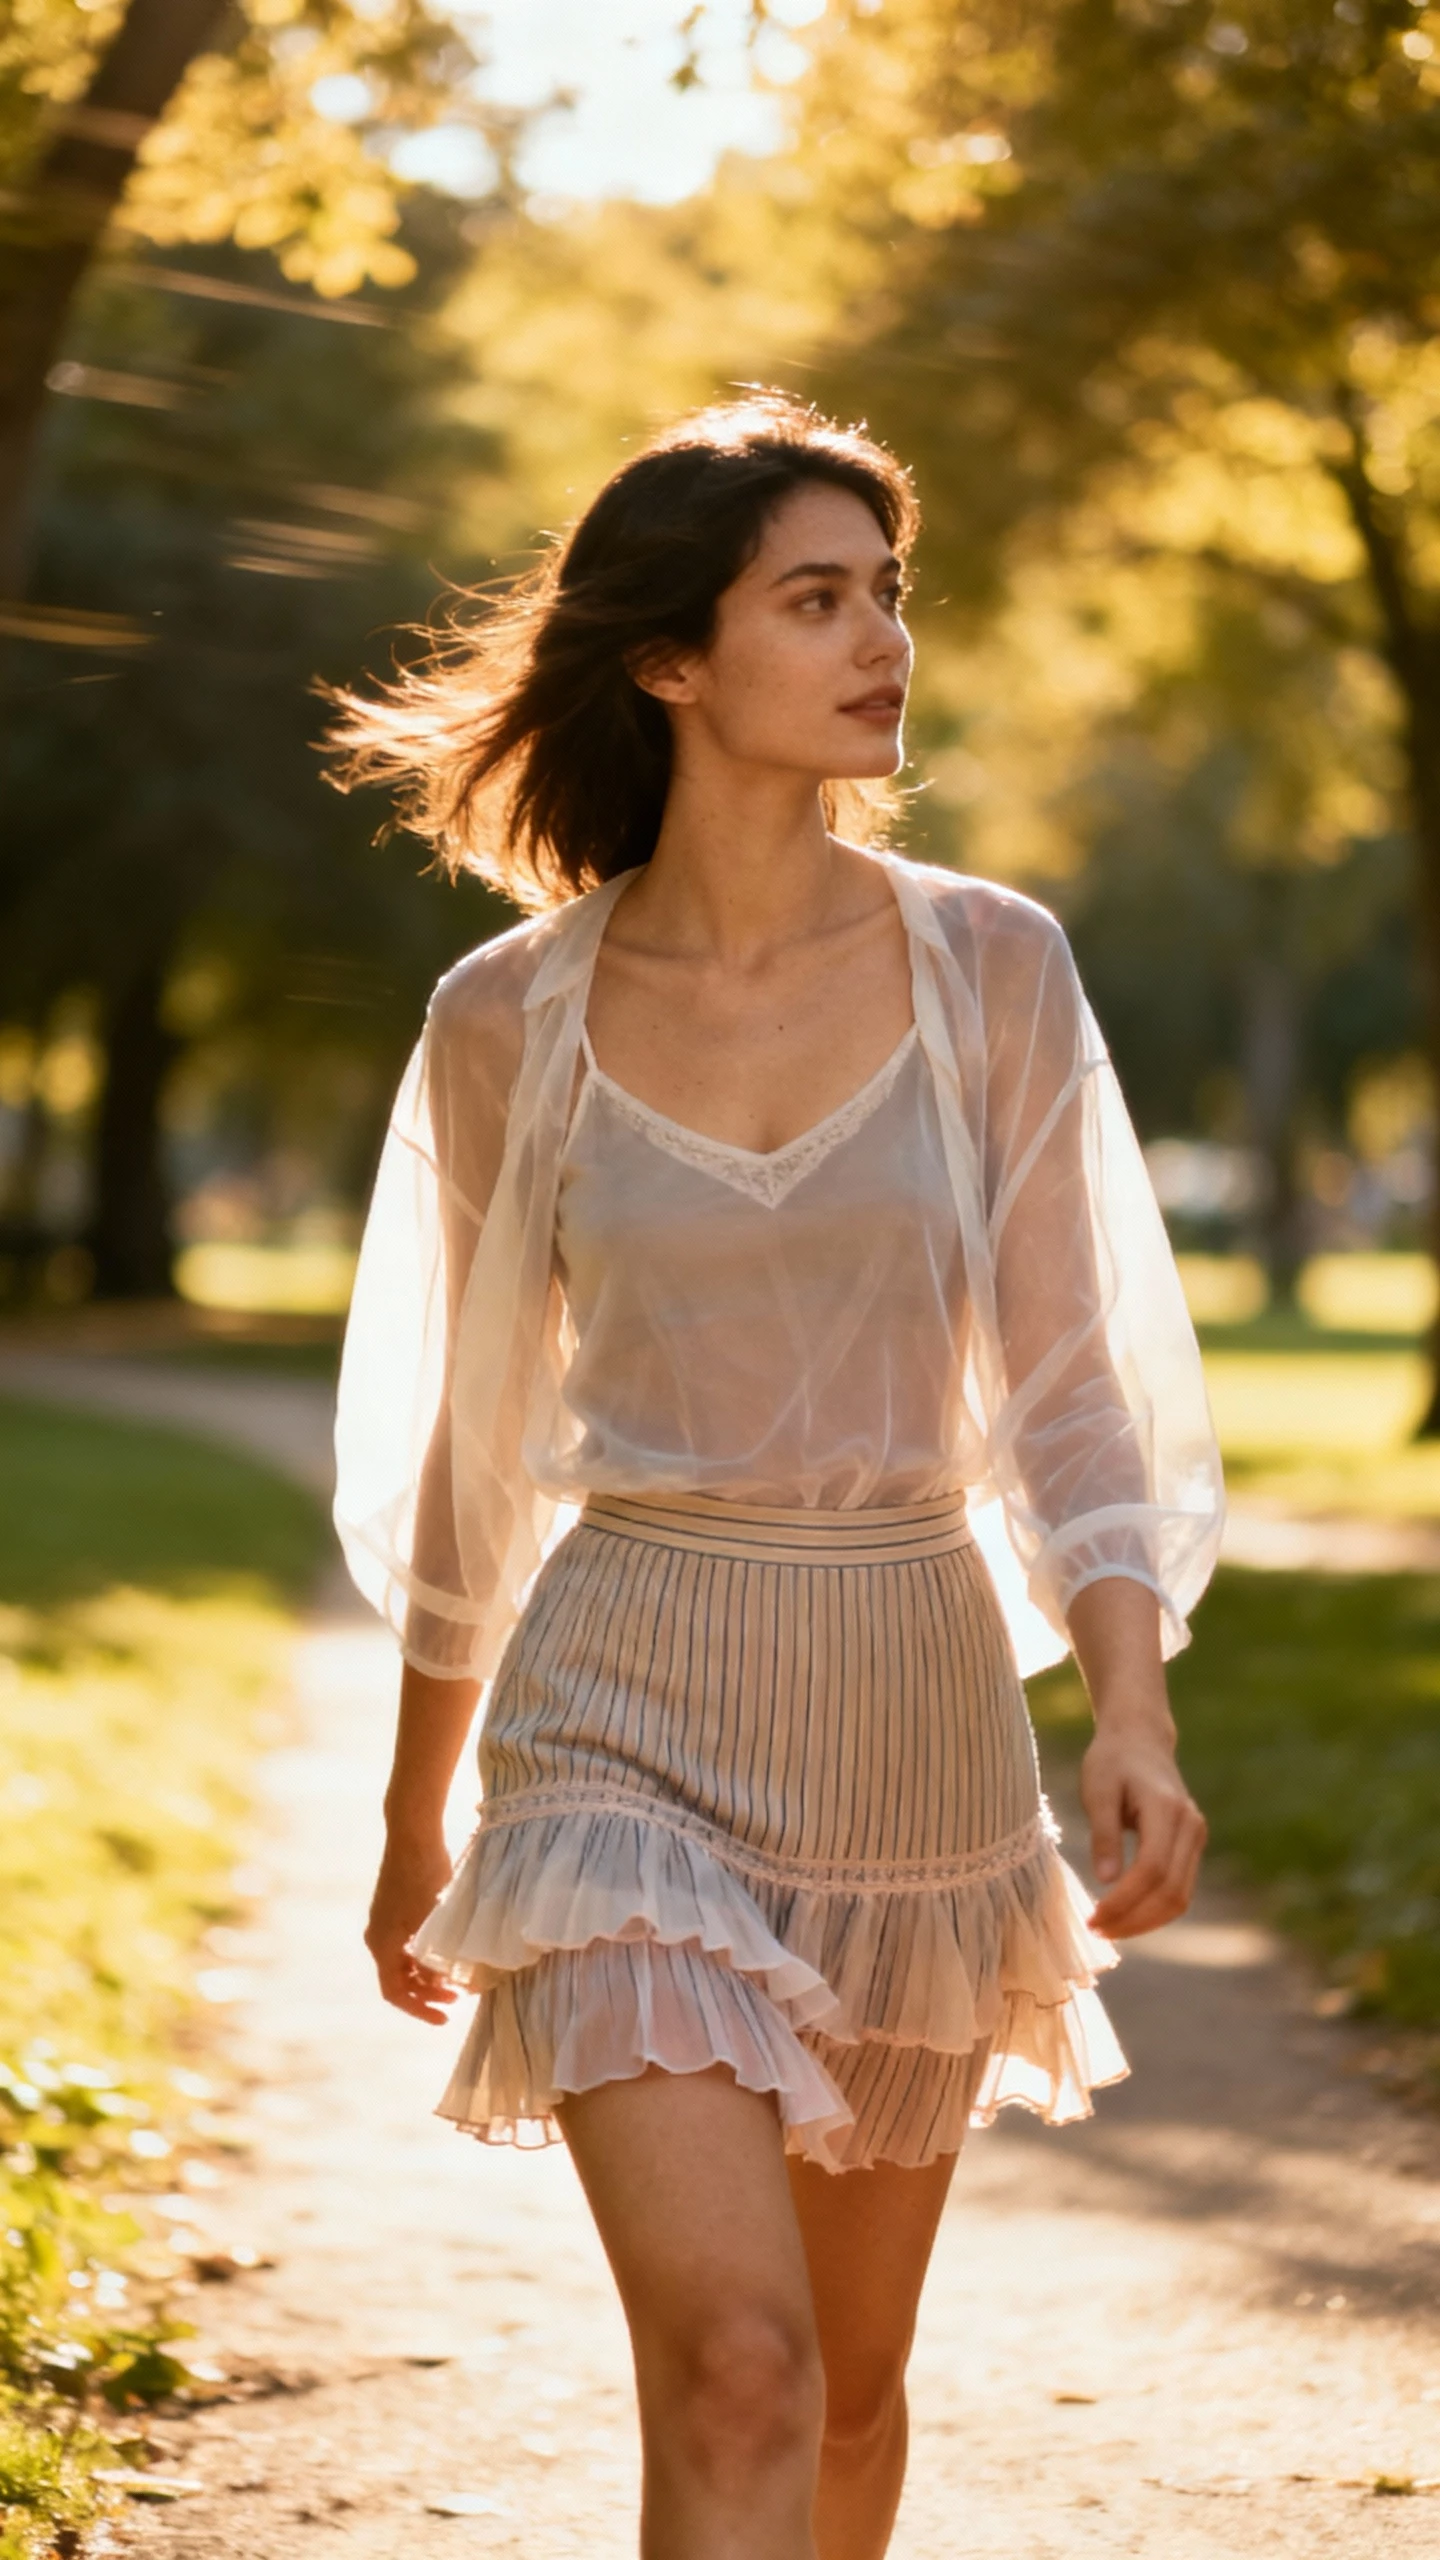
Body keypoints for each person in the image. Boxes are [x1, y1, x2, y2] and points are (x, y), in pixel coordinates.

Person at [327, 391, 1223, 2560]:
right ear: (669, 655)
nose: (880, 639)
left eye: (887, 596)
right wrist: (413, 1803)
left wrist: (1130, 1706)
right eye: (814, 598)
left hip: (910, 1712)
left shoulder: (988, 964)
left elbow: (1072, 1386)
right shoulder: (503, 1017)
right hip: (619, 1697)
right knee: (732, 2363)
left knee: (839, 2397)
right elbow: (479, 1437)